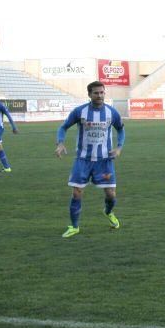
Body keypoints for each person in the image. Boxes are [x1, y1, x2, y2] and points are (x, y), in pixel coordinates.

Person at [55, 81, 125, 238]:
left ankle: (108, 211)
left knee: (111, 195)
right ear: (89, 94)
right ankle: (74, 226)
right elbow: (63, 127)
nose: (99, 95)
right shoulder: (80, 112)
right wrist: (60, 143)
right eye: (96, 93)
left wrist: (119, 148)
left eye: (102, 92)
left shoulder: (111, 112)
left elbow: (121, 129)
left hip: (104, 160)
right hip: (83, 160)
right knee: (77, 193)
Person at [0, 99, 19, 172]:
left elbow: (8, 116)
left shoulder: (0, 105)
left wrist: (14, 127)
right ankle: (7, 168)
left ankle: (7, 167)